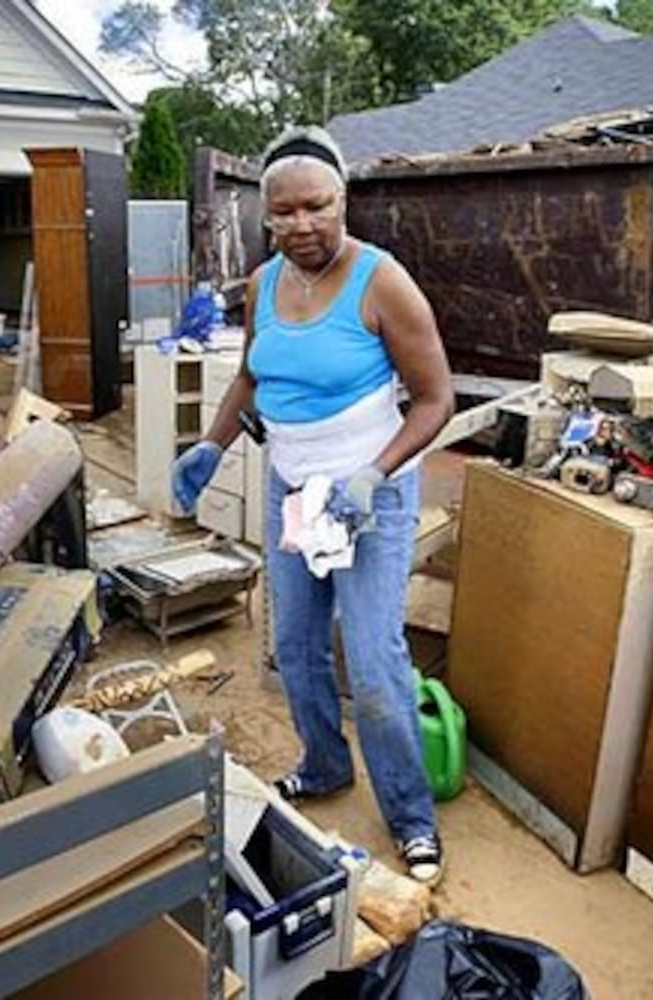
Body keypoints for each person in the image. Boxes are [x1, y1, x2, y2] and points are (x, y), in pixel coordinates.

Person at [171, 126, 455, 885]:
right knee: (295, 646)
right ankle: (326, 766)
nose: (301, 225)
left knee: (371, 658)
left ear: (344, 200)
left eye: (317, 207)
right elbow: (251, 378)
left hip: (371, 495)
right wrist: (211, 445)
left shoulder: (382, 281)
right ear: (266, 216)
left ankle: (410, 815)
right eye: (283, 213)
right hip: (295, 491)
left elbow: (435, 401)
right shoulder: (264, 283)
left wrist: (374, 474)